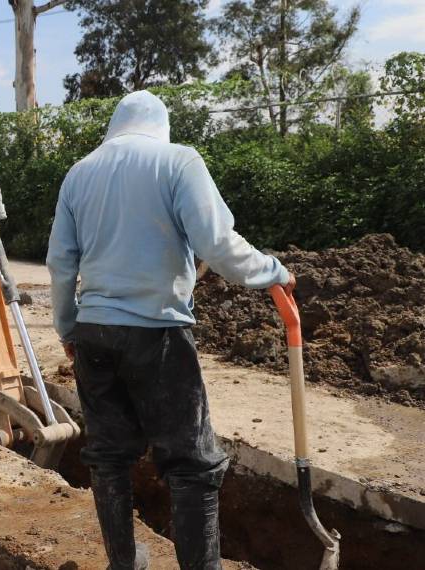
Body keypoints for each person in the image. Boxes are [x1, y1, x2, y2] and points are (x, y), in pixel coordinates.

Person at [46, 91, 294, 570]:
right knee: (192, 466)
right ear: (161, 125)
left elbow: (60, 263)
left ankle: (124, 563)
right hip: (157, 335)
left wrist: (68, 327)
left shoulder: (79, 173)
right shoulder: (179, 161)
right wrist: (275, 272)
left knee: (109, 457)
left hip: (95, 333)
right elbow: (217, 243)